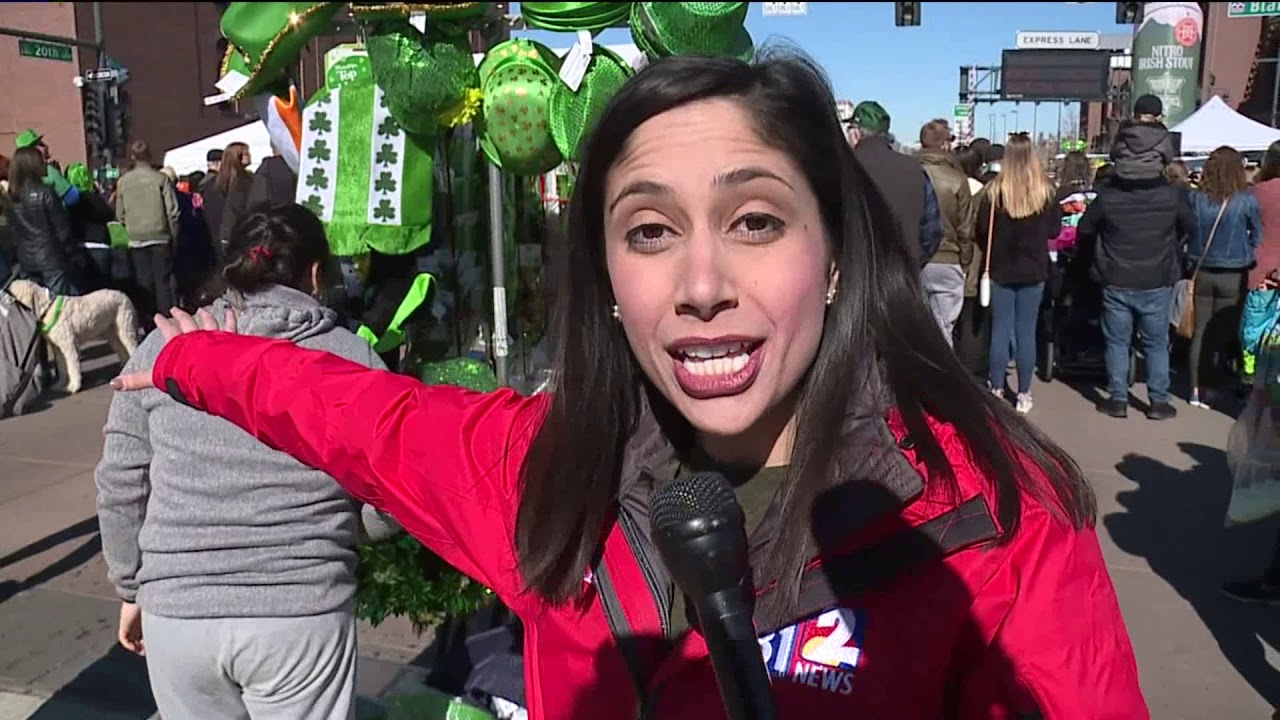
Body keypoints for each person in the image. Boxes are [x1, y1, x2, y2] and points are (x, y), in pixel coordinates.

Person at [114, 52, 1147, 719]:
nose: (700, 286)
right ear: (605, 277)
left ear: (832, 259)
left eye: (754, 221)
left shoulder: (991, 518)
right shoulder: (542, 470)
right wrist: (186, 357)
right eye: (649, 232)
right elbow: (352, 415)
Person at [96, 203, 399, 720]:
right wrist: (351, 528)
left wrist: (131, 585)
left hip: (179, 612)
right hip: (300, 612)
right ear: (316, 273)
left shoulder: (160, 350)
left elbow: (121, 481)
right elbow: (389, 493)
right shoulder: (351, 359)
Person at [1078, 130, 1194, 420]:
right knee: (1155, 343)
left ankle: (1118, 399)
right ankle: (1158, 401)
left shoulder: (1108, 197)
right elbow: (1190, 227)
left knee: (1117, 342)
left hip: (1116, 275)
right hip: (1156, 276)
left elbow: (1085, 230)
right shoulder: (1173, 196)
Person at [976, 133, 1062, 414]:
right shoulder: (1046, 191)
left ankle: (997, 388)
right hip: (1034, 268)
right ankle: (1024, 392)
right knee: (1027, 332)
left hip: (1001, 267)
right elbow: (1054, 231)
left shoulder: (994, 192)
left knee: (1000, 330)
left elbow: (981, 230)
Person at [1185, 146, 1261, 408]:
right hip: (1234, 272)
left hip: (1202, 268)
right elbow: (1258, 236)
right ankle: (1212, 387)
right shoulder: (1246, 199)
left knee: (1200, 330)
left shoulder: (1196, 199)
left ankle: (1194, 389)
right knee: (1221, 332)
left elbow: (1187, 232)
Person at [845, 101, 942, 266]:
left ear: (855, 134)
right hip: (903, 276)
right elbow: (932, 230)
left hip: (855, 274)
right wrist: (914, 265)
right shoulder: (914, 169)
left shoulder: (842, 169)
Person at [915, 119, 973, 345]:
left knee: (918, 328)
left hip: (914, 259)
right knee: (944, 328)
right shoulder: (957, 179)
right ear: (945, 145)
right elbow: (965, 229)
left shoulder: (910, 172)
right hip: (949, 259)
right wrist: (965, 263)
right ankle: (941, 376)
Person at [115, 140, 180, 324]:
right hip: (160, 237)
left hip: (136, 238)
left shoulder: (124, 182)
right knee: (163, 283)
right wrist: (173, 235)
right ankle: (167, 321)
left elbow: (119, 214)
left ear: (133, 157)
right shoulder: (161, 179)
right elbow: (173, 212)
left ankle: (148, 322)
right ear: (150, 156)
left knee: (144, 284)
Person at [5, 146, 78, 295]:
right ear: (32, 165)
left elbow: (13, 233)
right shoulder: (46, 192)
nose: (46, 164)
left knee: (37, 308)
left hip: (26, 262)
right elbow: (63, 230)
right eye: (42, 161)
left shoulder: (11, 198)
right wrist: (72, 253)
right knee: (59, 307)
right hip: (52, 260)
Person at [1110, 94, 1174, 183]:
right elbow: (1168, 158)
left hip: (1122, 180)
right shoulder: (1162, 134)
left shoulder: (1124, 131)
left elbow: (1113, 154)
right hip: (1153, 181)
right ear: (1158, 116)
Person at [212, 142, 254, 258]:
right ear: (237, 157)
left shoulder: (221, 180)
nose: (250, 155)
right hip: (237, 231)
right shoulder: (242, 181)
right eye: (246, 153)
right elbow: (239, 207)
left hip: (226, 231)